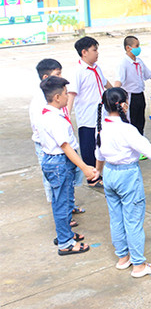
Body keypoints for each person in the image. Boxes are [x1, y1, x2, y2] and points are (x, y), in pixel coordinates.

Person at [94, 87, 151, 277]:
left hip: (109, 173)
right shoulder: (126, 129)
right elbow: (149, 149)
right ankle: (139, 265)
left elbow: (99, 154)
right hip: (127, 175)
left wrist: (98, 172)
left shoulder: (102, 126)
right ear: (123, 105)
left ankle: (122, 258)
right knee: (133, 220)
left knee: (116, 218)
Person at [38, 76, 99, 256]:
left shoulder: (48, 113)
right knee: (62, 204)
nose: (68, 97)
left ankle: (65, 234)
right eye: (65, 93)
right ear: (57, 97)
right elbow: (65, 147)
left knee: (61, 201)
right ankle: (65, 242)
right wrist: (85, 168)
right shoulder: (54, 119)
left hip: (55, 162)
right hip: (59, 163)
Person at [31, 60, 84, 225]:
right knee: (57, 190)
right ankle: (64, 223)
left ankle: (68, 207)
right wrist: (85, 167)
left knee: (66, 186)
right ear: (46, 78)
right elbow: (62, 144)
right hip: (52, 150)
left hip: (60, 149)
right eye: (58, 74)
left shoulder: (54, 103)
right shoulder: (42, 105)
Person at [68, 36, 112, 186]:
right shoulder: (78, 72)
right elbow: (71, 95)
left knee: (100, 146)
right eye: (94, 50)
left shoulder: (96, 68)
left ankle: (98, 173)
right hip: (87, 117)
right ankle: (92, 178)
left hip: (101, 115)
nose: (97, 53)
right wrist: (67, 117)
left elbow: (106, 84)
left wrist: (118, 94)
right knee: (89, 148)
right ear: (84, 52)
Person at [115, 35, 151, 135]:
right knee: (131, 121)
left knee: (141, 120)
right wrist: (114, 94)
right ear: (128, 48)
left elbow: (149, 74)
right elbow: (119, 80)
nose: (138, 48)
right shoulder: (123, 63)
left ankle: (141, 139)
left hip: (140, 94)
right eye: (137, 46)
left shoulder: (139, 61)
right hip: (130, 96)